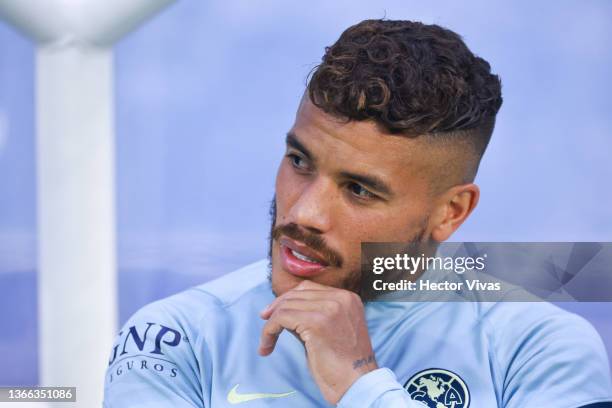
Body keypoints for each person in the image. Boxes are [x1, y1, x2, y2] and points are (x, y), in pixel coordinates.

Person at [103, 19, 612, 407]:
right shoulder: (173, 337)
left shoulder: (543, 349)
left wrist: (359, 383)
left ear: (451, 212)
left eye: (360, 190)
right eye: (299, 161)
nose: (304, 214)